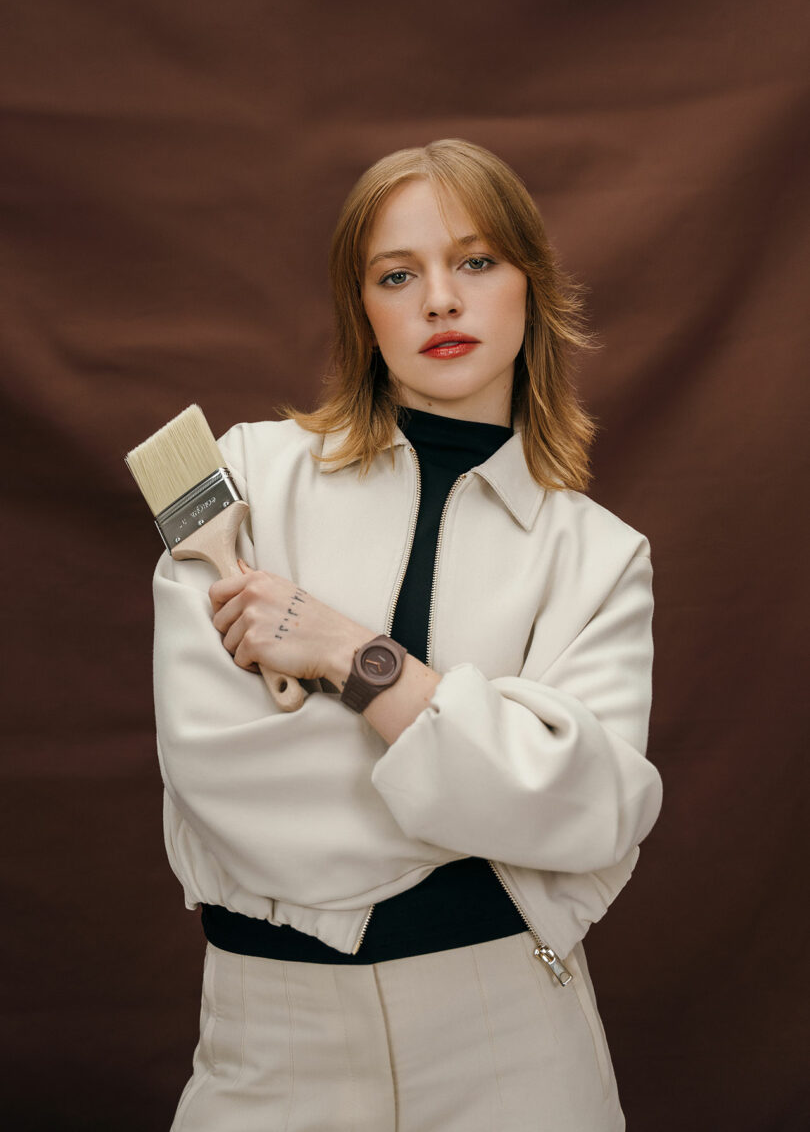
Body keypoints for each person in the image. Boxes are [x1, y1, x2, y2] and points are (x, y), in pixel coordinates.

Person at [153, 137, 663, 1131]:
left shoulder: (602, 557)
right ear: (364, 309)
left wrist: (352, 655)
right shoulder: (233, 480)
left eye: (475, 262)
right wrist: (494, 803)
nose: (440, 299)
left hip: (513, 1038)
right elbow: (218, 775)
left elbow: (595, 809)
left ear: (530, 287)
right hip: (273, 1047)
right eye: (399, 274)